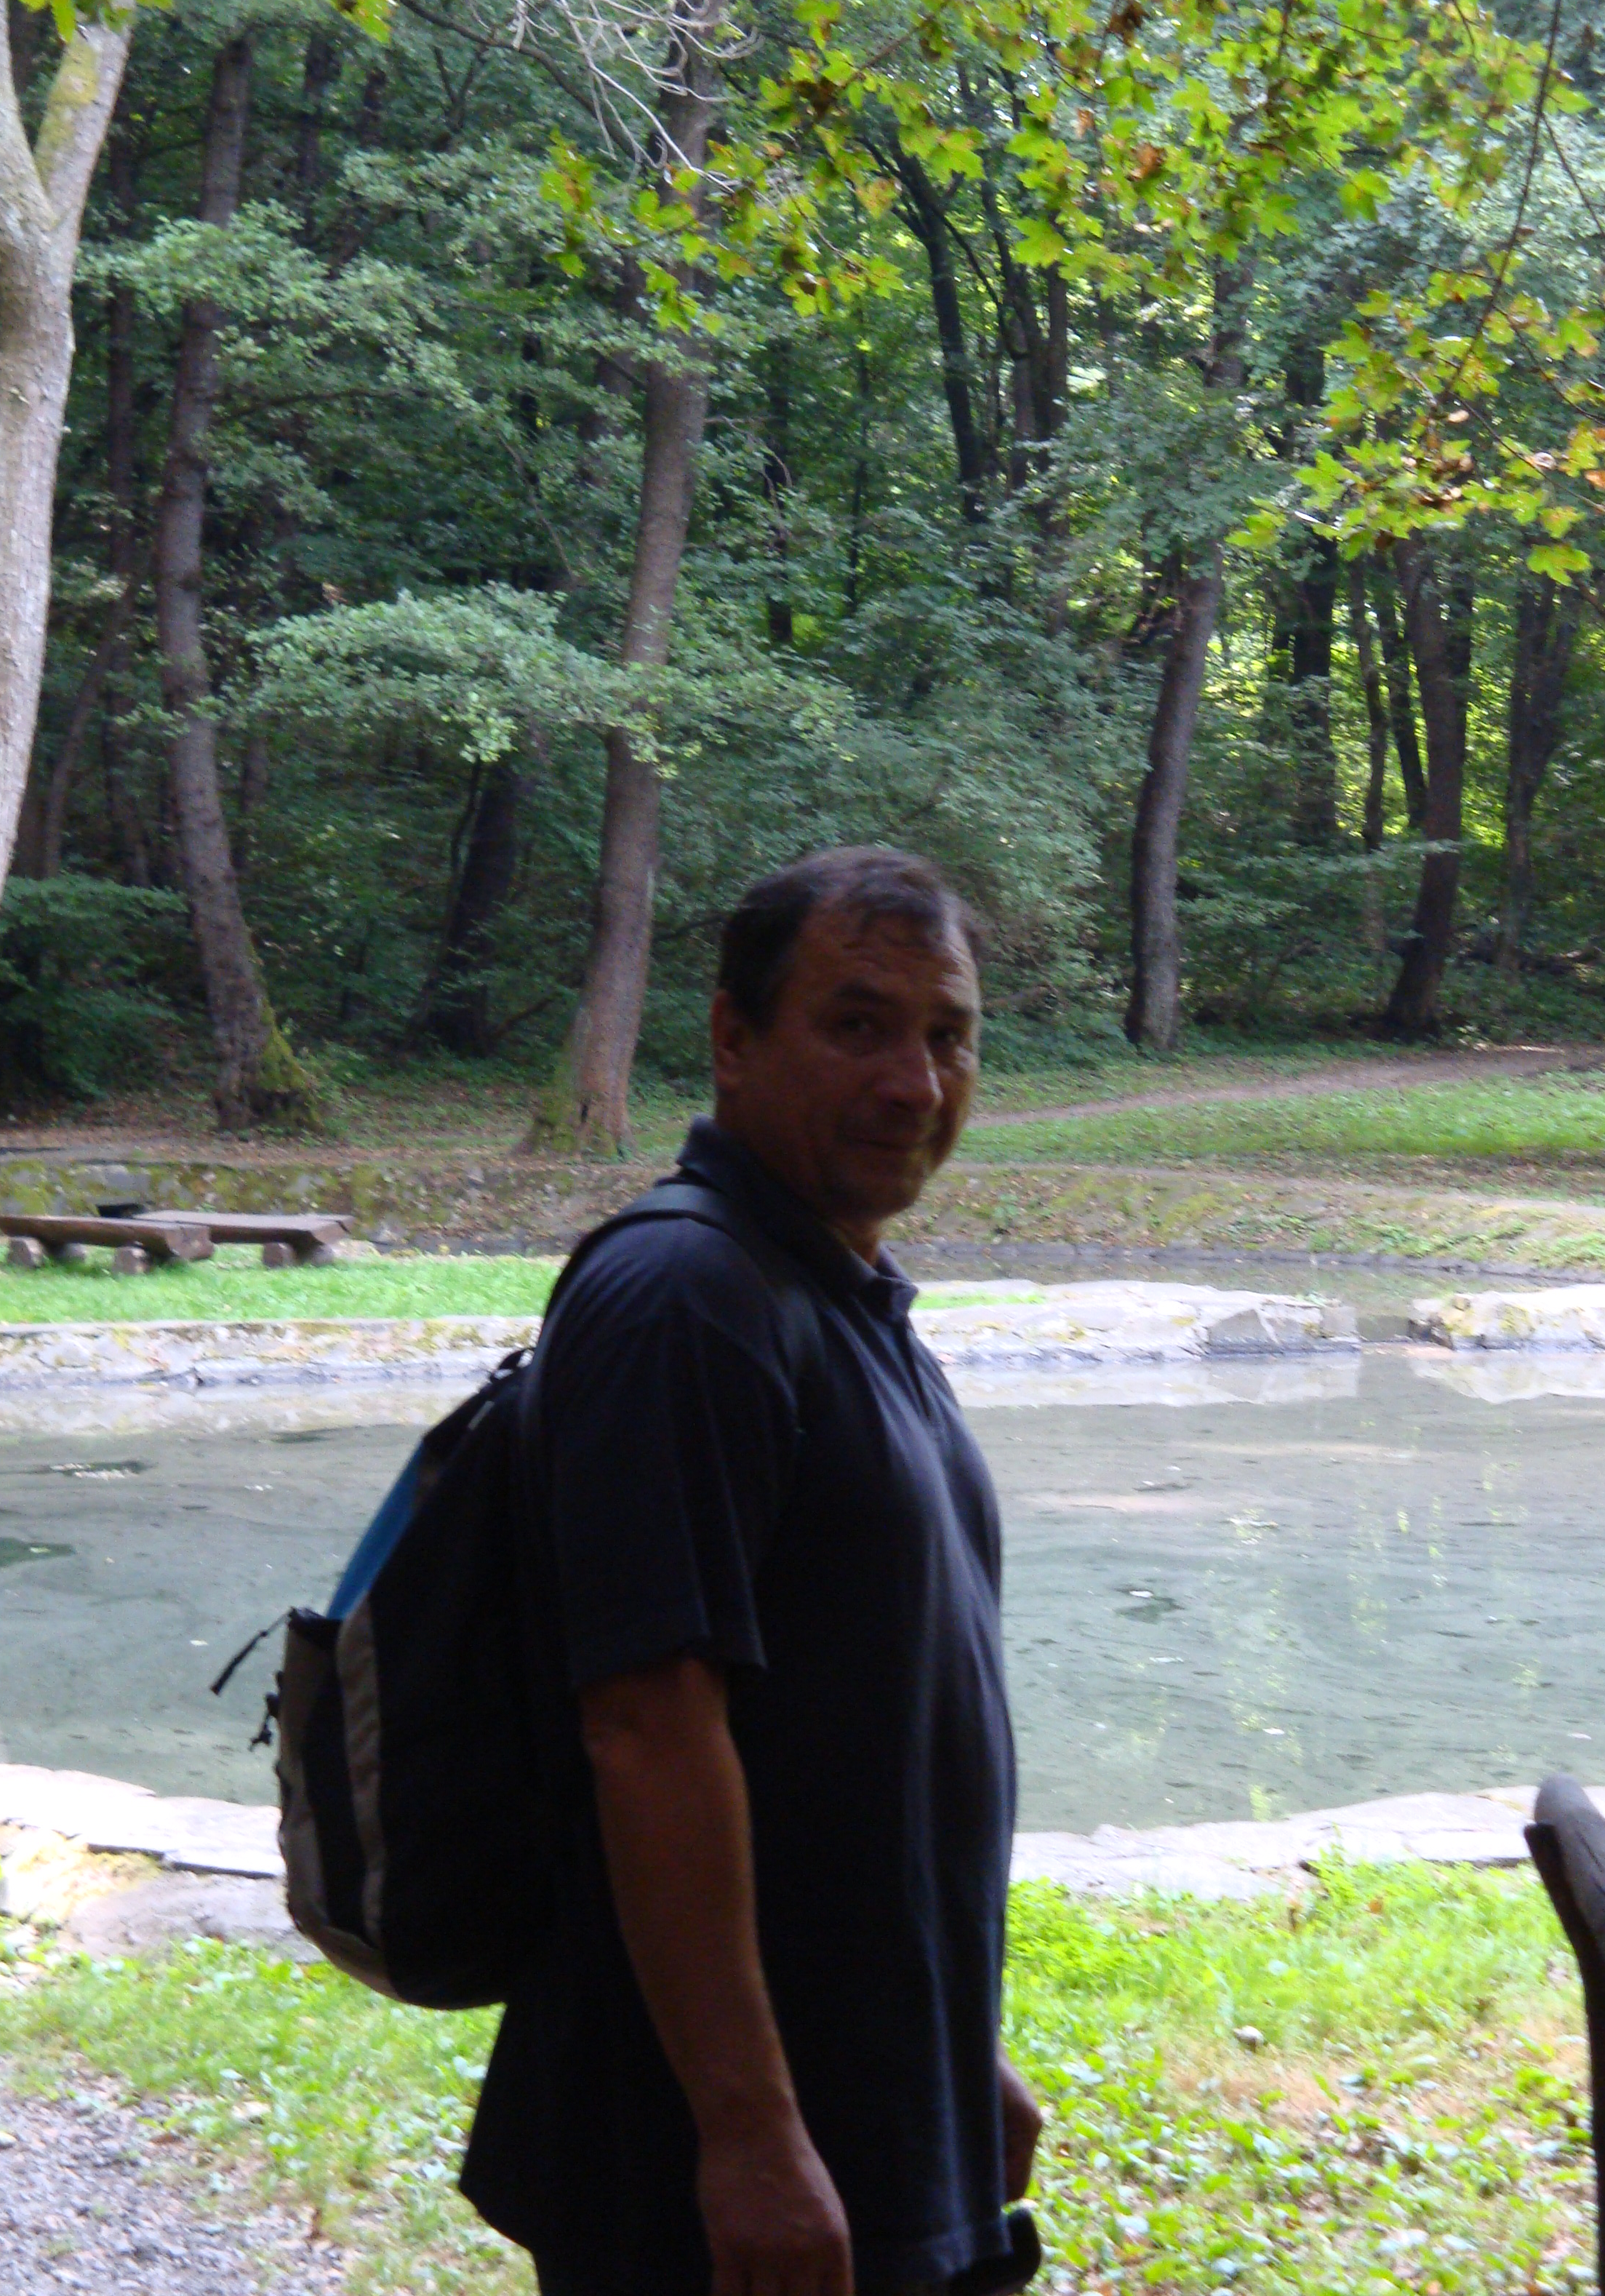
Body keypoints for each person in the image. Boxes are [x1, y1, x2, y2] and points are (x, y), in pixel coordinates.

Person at [463, 844, 1040, 2296]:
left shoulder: (829, 1293)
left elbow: (853, 1733)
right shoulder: (687, 1299)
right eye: (858, 1026)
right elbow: (647, 1730)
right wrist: (751, 2137)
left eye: (949, 1036)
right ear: (732, 1036)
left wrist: (949, 2050)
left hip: (865, 2106)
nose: (915, 1083)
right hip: (703, 2167)